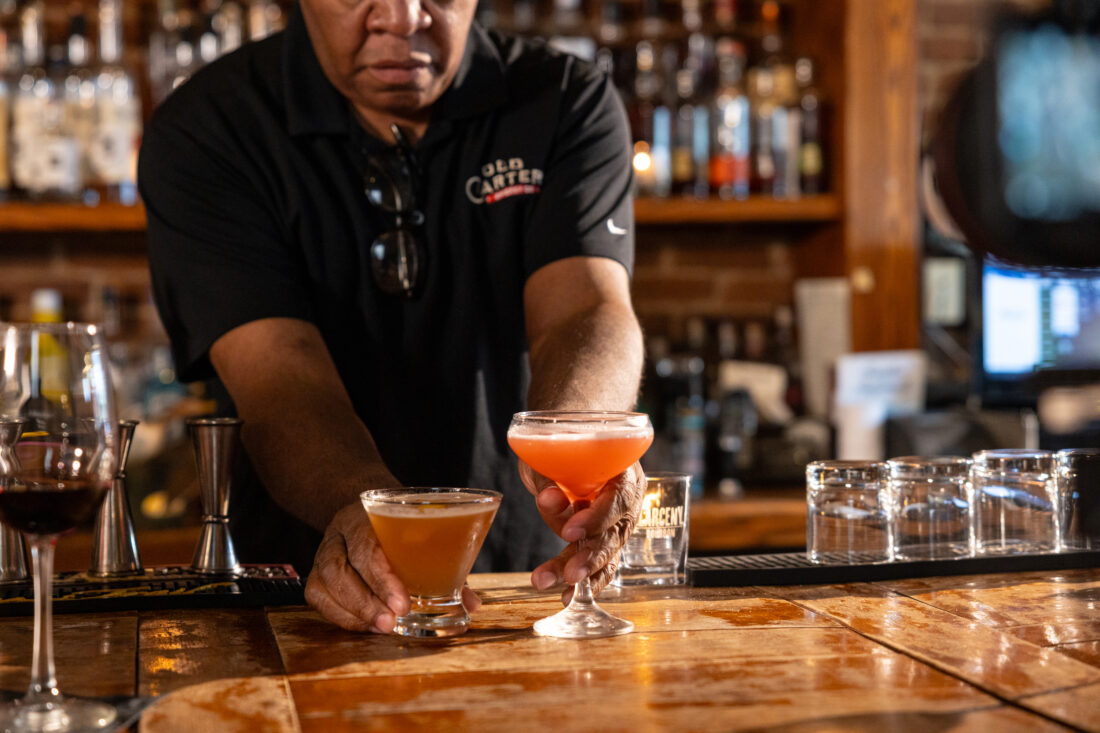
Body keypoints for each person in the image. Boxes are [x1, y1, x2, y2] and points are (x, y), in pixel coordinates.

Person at [138, 0, 646, 632]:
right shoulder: (213, 124)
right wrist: (371, 516)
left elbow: (586, 309)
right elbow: (278, 379)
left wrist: (583, 439)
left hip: (523, 589)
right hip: (304, 598)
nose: (403, 18)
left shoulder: (563, 98)